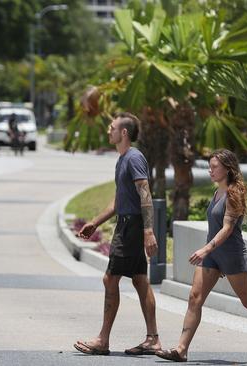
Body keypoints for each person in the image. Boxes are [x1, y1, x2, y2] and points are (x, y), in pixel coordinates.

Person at [156, 149, 247, 363]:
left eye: (214, 166)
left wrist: (205, 248)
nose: (210, 170)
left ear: (228, 168)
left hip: (231, 254)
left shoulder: (235, 192)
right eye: (210, 166)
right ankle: (181, 349)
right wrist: (209, 251)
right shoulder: (217, 192)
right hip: (213, 255)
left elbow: (227, 228)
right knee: (194, 298)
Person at [73, 112, 161, 356]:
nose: (108, 131)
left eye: (112, 127)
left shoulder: (133, 158)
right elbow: (119, 199)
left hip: (131, 227)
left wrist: (148, 231)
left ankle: (103, 340)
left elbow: (145, 194)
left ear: (124, 132)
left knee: (110, 279)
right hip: (126, 224)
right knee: (140, 280)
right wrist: (95, 222)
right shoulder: (122, 160)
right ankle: (153, 339)